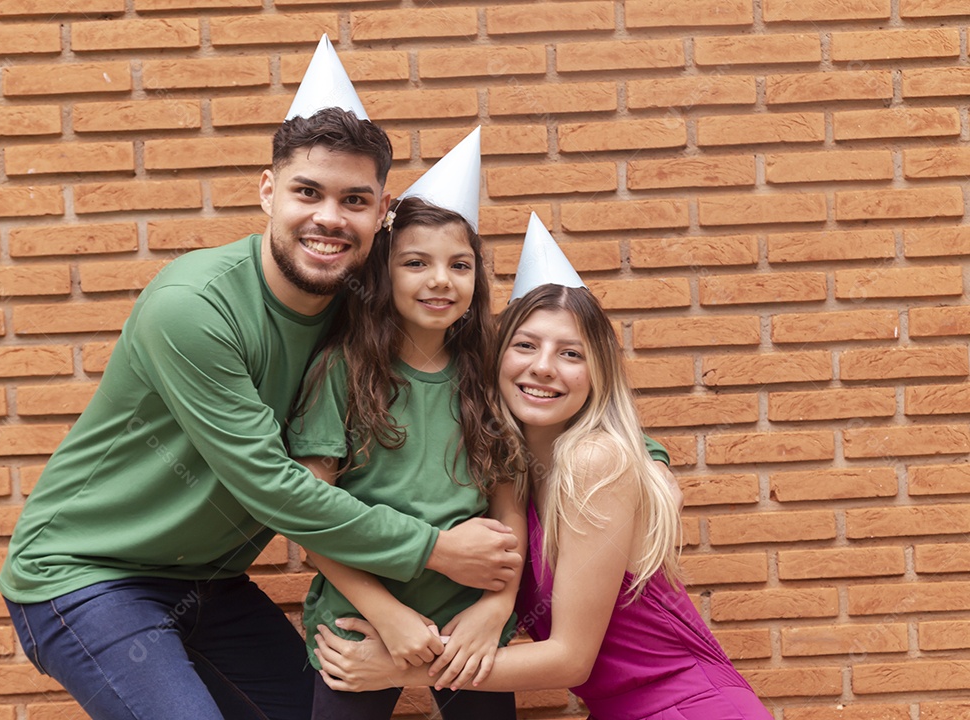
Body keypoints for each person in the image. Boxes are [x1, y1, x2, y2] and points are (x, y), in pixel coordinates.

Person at [0, 38, 521, 720]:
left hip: (209, 582)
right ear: (269, 191)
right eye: (308, 191)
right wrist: (437, 549)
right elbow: (273, 486)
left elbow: (494, 377)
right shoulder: (195, 307)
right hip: (86, 575)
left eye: (354, 199)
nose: (329, 218)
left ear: (380, 213)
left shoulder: (361, 311)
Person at [313, 215, 773, 720]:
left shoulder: (596, 462)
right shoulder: (513, 475)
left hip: (690, 707)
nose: (544, 367)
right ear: (494, 360)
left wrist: (399, 670)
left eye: (571, 353)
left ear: (597, 374)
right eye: (526, 345)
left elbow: (570, 660)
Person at [286, 128, 523, 720]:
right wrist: (386, 613)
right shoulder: (340, 370)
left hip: (469, 618)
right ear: (383, 275)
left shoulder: (490, 374)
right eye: (416, 262)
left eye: (459, 265)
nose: (440, 280)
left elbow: (509, 506)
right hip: (359, 618)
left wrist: (498, 607)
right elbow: (308, 516)